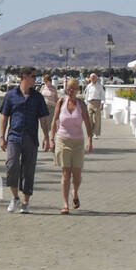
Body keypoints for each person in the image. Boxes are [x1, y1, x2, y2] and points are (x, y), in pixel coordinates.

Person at [0, 67, 51, 214]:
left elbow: (43, 119)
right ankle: (15, 198)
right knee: (12, 165)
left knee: (28, 170)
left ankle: (25, 202)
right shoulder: (11, 95)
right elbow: (4, 117)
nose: (36, 79)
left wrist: (46, 137)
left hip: (30, 138)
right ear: (24, 77)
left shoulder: (37, 97)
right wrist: (2, 137)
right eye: (34, 76)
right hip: (14, 137)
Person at [51, 77, 93, 214]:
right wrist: (51, 138)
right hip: (62, 140)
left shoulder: (81, 105)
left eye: (72, 89)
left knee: (77, 174)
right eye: (68, 89)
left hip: (78, 142)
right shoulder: (61, 102)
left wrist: (90, 140)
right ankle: (65, 204)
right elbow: (54, 120)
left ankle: (74, 192)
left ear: (77, 90)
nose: (69, 92)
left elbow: (87, 123)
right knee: (65, 173)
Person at [39, 74, 58, 150]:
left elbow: (56, 99)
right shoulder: (43, 87)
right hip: (43, 108)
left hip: (51, 108)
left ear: (49, 81)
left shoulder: (53, 88)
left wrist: (58, 108)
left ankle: (48, 141)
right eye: (44, 81)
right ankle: (45, 141)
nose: (45, 83)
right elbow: (40, 96)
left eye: (46, 81)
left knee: (50, 126)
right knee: (44, 126)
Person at [83, 72, 105, 137]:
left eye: (94, 78)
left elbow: (102, 95)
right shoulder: (88, 86)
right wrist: (85, 103)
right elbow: (86, 95)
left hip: (97, 102)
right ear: (90, 79)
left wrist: (102, 104)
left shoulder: (99, 86)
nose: (92, 79)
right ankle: (91, 131)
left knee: (97, 118)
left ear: (96, 78)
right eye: (91, 78)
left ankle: (96, 133)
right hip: (90, 103)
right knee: (89, 118)